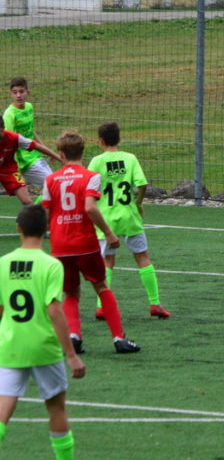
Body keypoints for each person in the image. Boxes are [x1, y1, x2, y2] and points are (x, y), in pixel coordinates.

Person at [0, 204, 90, 460]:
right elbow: (54, 310)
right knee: (56, 407)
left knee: (3, 410)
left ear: (18, 228)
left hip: (11, 345)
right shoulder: (51, 265)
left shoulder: (3, 263)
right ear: (47, 229)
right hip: (44, 348)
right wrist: (71, 355)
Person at [42, 130, 140, 355]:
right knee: (102, 287)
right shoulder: (91, 176)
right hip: (85, 243)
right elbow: (89, 207)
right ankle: (119, 338)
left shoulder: (50, 179)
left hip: (60, 245)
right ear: (82, 152)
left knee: (71, 293)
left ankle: (74, 337)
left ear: (61, 154)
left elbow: (45, 213)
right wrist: (108, 232)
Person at [88, 121, 170, 320]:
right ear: (120, 139)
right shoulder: (130, 158)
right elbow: (142, 184)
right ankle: (155, 303)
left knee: (107, 261)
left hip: (107, 219)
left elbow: (88, 187)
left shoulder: (97, 161)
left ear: (100, 141)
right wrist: (138, 203)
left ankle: (101, 306)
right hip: (129, 216)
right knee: (142, 257)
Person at [3, 76, 54, 193]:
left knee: (50, 187)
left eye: (21, 91)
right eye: (15, 92)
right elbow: (8, 141)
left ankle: (39, 204)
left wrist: (44, 149)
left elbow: (31, 131)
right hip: (24, 162)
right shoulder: (9, 115)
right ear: (11, 94)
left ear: (28, 92)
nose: (18, 95)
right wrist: (14, 167)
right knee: (52, 185)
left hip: (35, 156)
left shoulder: (29, 107)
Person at [0, 114, 60, 207]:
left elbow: (37, 146)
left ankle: (35, 214)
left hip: (11, 172)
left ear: (3, 128)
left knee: (27, 201)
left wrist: (58, 157)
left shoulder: (14, 138)